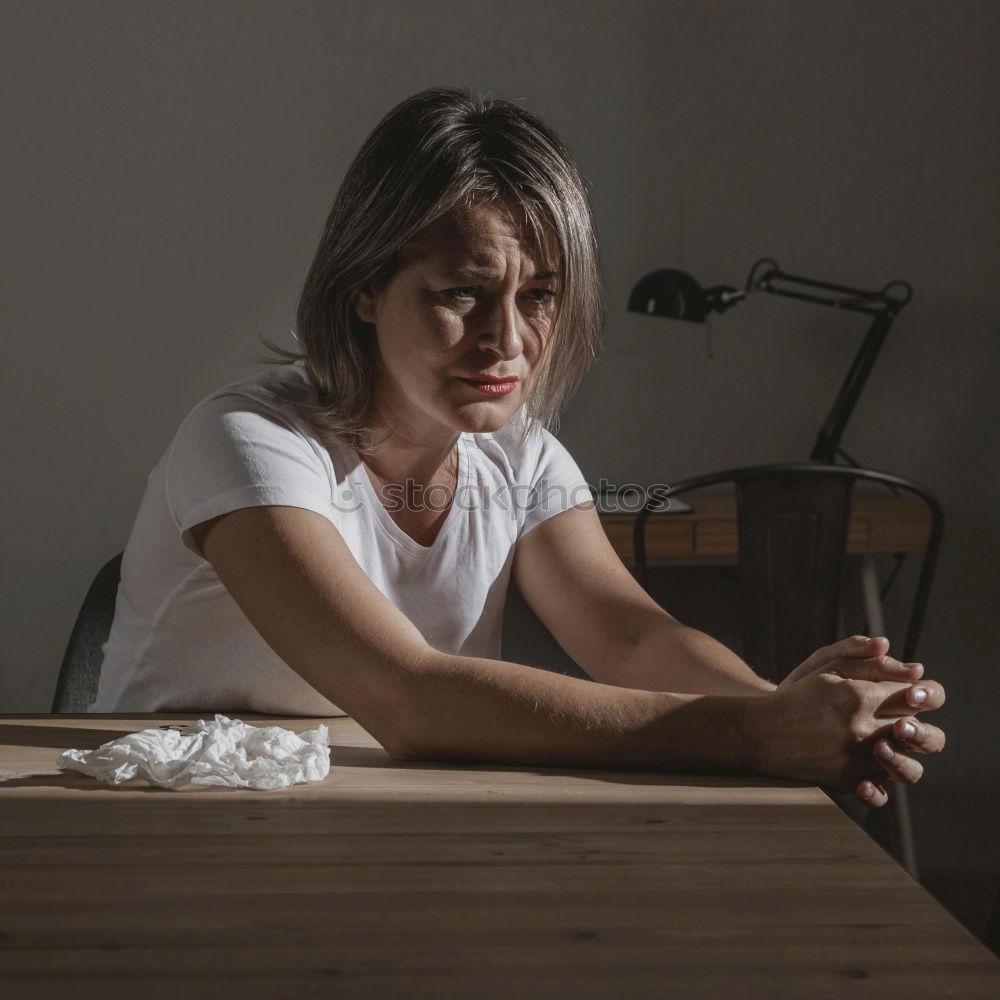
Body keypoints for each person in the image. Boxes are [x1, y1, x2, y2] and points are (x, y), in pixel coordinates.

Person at [88, 86, 946, 810]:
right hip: (170, 824)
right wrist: (757, 735)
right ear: (362, 290)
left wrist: (792, 709)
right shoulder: (245, 441)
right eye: (462, 292)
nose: (508, 340)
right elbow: (409, 697)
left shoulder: (522, 459)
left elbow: (635, 640)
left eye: (539, 295)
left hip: (378, 819)